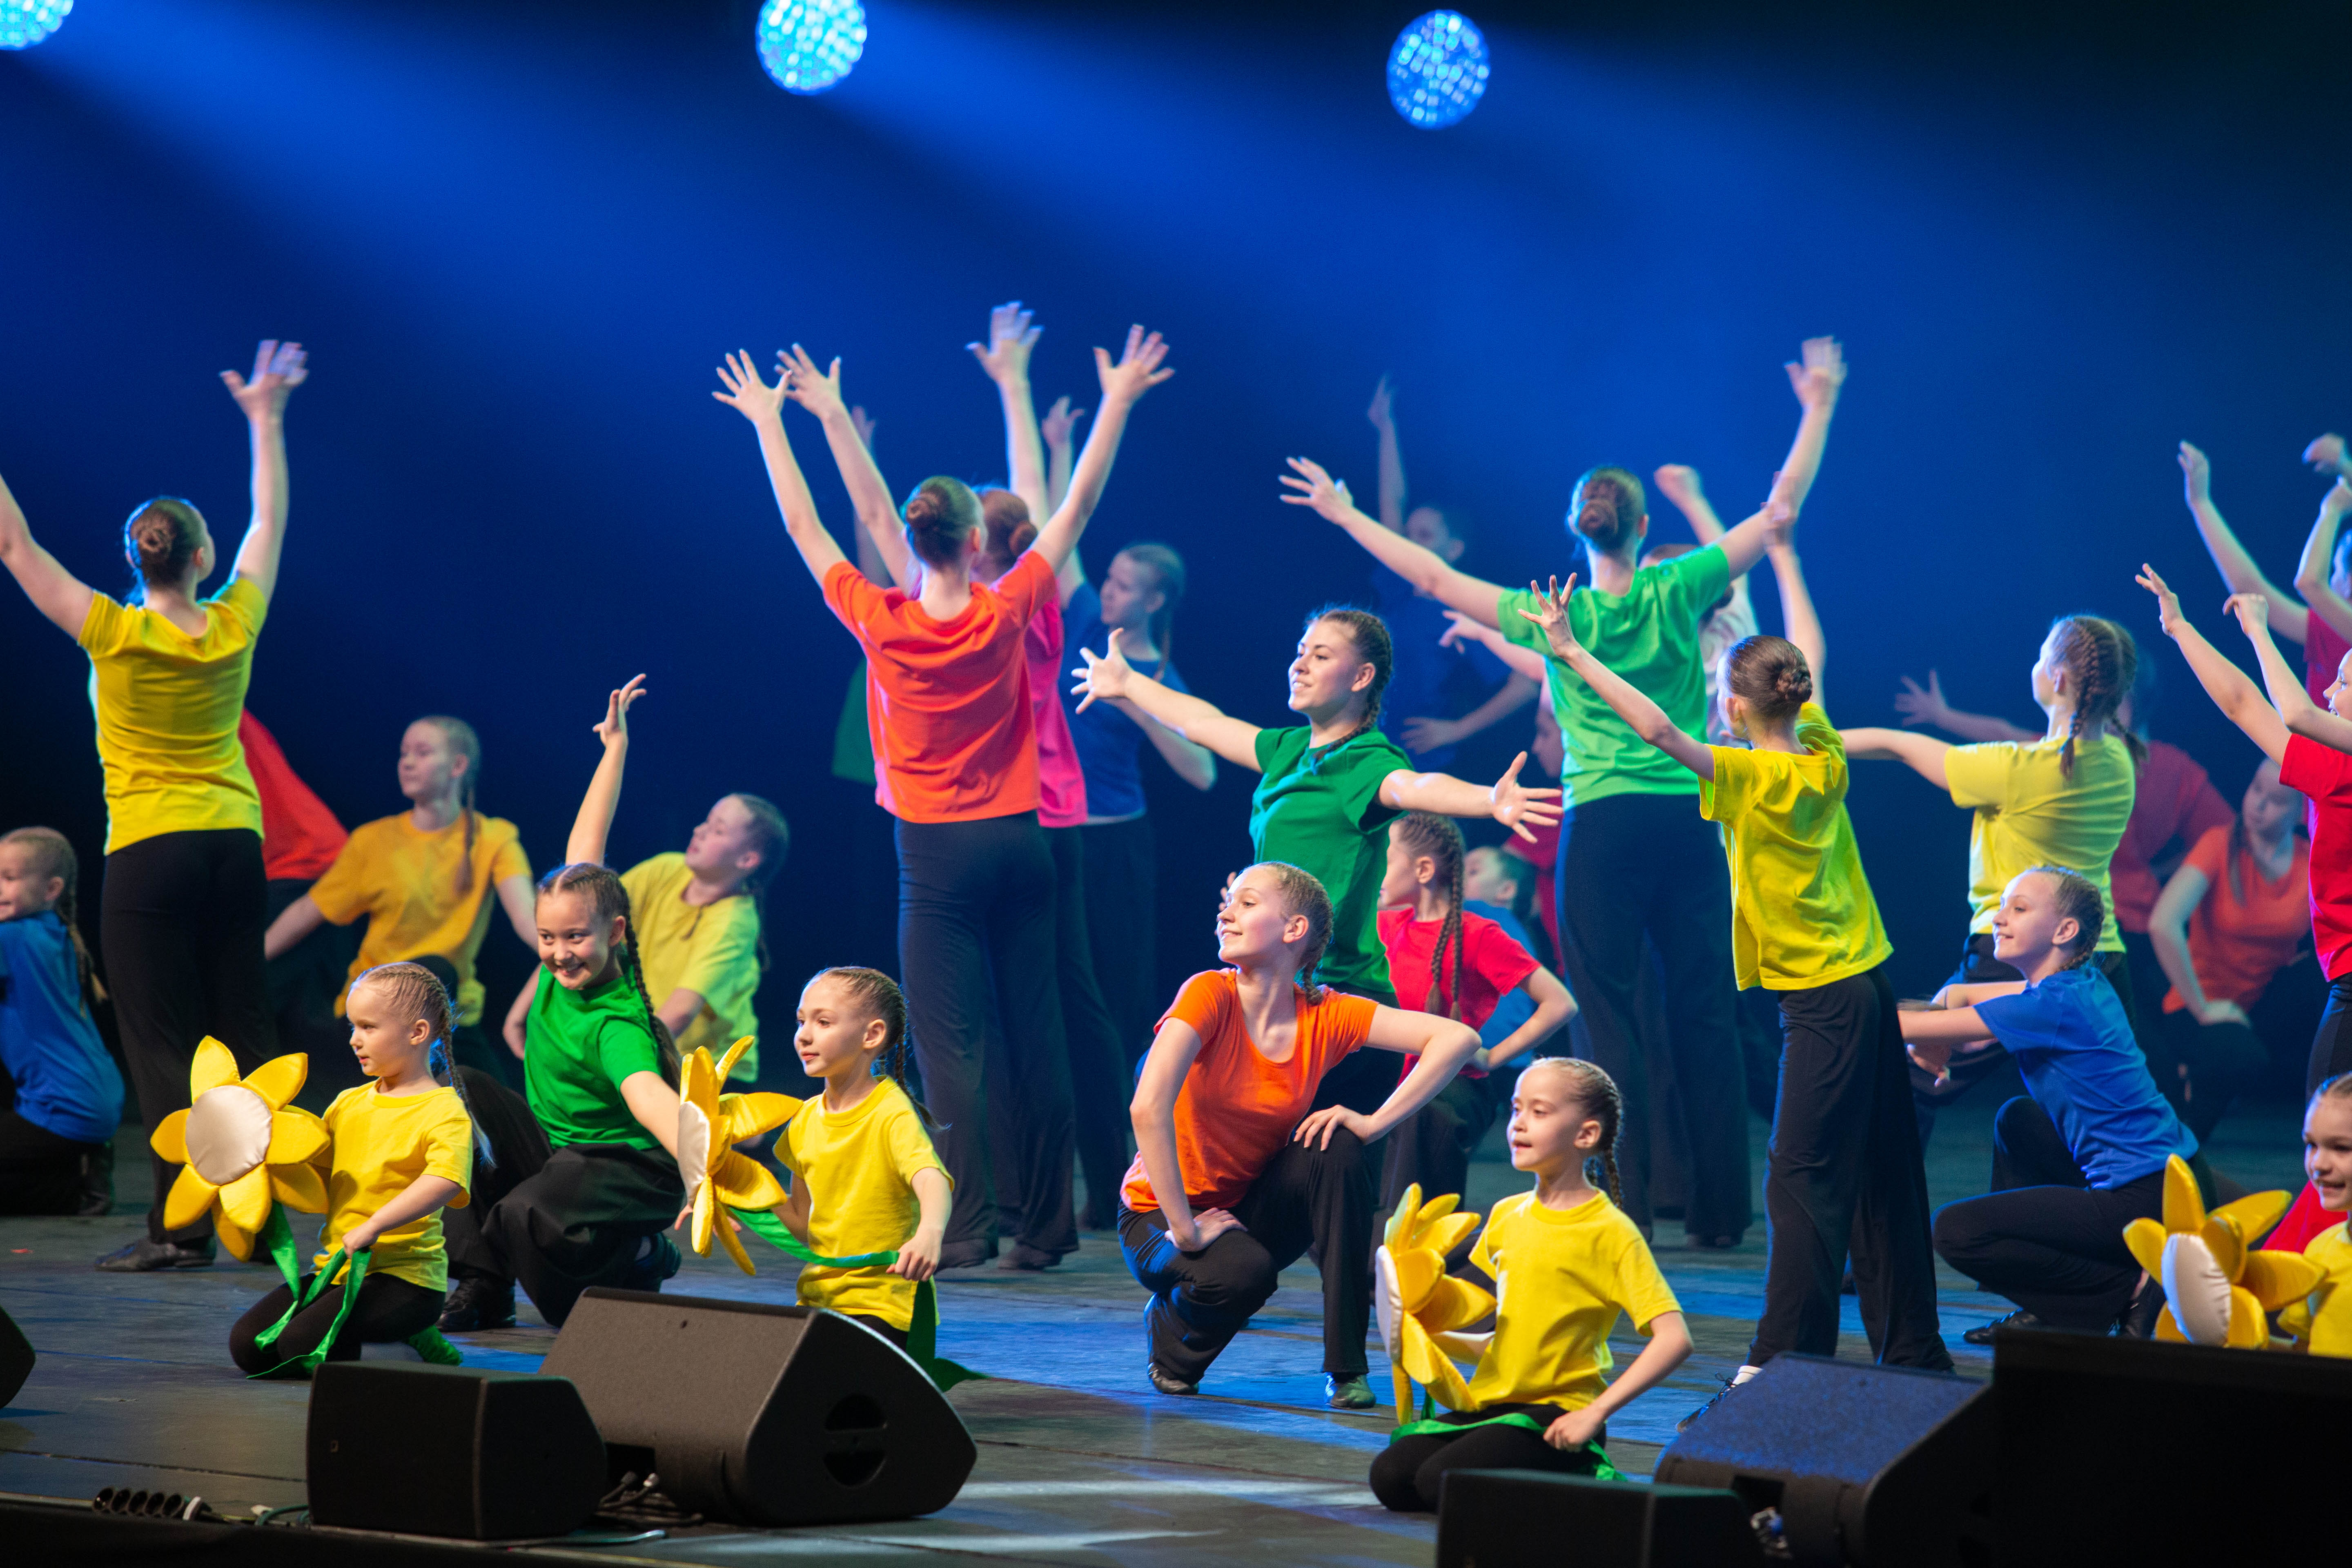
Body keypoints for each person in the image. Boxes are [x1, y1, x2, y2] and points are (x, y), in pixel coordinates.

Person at [1284, 338, 1850, 1243]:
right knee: (1704, 1011)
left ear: (1579, 528)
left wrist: (1347, 512)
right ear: (1638, 527)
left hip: (1605, 828)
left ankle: (1624, 1210)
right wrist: (1818, 403)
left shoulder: (1556, 614)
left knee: (1611, 1021)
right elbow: (1778, 513)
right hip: (1687, 818)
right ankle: (1720, 1213)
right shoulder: (1676, 587)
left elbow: (1429, 577)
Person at [714, 323, 1171, 1270]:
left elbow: (814, 525)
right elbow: (1077, 503)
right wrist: (1120, 400)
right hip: (1024, 841)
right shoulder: (1008, 609)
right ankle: (1045, 1228)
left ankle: (965, 1227)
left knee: (950, 1042)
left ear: (918, 544)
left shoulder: (882, 617)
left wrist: (780, 421)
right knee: (1038, 1032)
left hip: (936, 856)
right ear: (973, 540)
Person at [1518, 578, 1952, 1412]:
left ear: (1733, 704)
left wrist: (1569, 650)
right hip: (1866, 982)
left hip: (1823, 998)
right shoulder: (1821, 751)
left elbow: (1654, 728)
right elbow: (1810, 654)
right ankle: (1914, 1352)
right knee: (1883, 1174)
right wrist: (1782, 558)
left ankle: (1779, 1360)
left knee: (1796, 1178)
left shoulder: (1750, 775)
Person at [0, 340, 308, 1272]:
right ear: (202, 557)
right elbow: (269, 519)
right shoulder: (234, 621)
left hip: (149, 849)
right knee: (244, 1026)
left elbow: (13, 545)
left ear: (135, 558)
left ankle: (182, 1229)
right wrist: (266, 420)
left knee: (161, 1039)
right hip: (233, 846)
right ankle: (264, 1212)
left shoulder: (111, 629)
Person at [1070, 604, 1559, 1147]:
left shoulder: (1366, 761)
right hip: (1272, 983)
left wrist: (1488, 799)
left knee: (1266, 1134)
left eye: (1321, 655)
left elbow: (1414, 787)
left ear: (1362, 676)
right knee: (1166, 1077)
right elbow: (1204, 723)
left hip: (1334, 992)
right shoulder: (1287, 751)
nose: (1299, 665)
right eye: (1301, 652)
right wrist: (1128, 683)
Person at [1121, 861, 1480, 1409]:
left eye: (1247, 903)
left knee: (1338, 1145)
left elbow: (1457, 1039)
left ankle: (1347, 1367)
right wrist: (1185, 1230)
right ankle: (1169, 1330)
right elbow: (1148, 1107)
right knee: (1243, 1274)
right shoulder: (1209, 993)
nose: (1226, 914)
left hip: (1246, 1204)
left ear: (1294, 929)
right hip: (1159, 1215)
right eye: (1229, 903)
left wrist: (1374, 1123)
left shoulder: (1325, 1014)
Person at [960, 303, 1134, 1230]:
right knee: (1074, 998)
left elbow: (1037, 503)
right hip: (1056, 813)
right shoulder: (1035, 590)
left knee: (1019, 1010)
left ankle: (1030, 1192)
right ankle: (1101, 1180)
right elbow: (1040, 505)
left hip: (1017, 815)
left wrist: (1016, 386)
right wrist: (1015, 387)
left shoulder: (981, 604)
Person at [1843, 613, 2142, 1137]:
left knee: (1905, 1080)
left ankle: (1885, 1197)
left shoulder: (2020, 772)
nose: (2036, 665)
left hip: (2019, 955)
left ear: (2059, 678)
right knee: (2106, 1116)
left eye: (2042, 657)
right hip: (2102, 960)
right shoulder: (2119, 759)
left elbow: (1898, 745)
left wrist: (1793, 742)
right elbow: (2013, 740)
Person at [461, 677, 689, 1329]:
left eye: (575, 939)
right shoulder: (569, 935)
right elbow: (584, 850)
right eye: (548, 937)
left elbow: (649, 1098)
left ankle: (638, 1256)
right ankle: (483, 1285)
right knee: (453, 1095)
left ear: (614, 933)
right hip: (560, 1147)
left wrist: (703, 1169)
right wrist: (614, 749)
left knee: (522, 1216)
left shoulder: (617, 1022)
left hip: (626, 1166)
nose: (560, 954)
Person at [1369, 1057, 1692, 1512]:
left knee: (1440, 1483)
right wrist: (1426, 1334)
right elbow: (1509, 1331)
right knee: (1391, 1478)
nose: (1518, 1124)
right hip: (1495, 1404)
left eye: (1539, 1112)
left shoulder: (1610, 1232)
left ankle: (1572, 1469)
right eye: (1517, 1109)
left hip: (1559, 1412)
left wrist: (1594, 1413)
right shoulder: (1507, 1215)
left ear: (1586, 1135)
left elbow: (1675, 1339)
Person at [1904, 867, 2196, 1338]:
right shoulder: (2080, 983)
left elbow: (1907, 1025)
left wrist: (1832, 1000)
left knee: (1955, 1231)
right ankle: (2054, 1303)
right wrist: (1942, 1010)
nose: (1999, 919)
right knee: (2018, 1120)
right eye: (2002, 906)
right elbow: (1960, 995)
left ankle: (2133, 1288)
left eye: (2019, 909)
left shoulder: (2049, 1006)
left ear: (2065, 931)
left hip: (2142, 1196)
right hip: (2168, 1179)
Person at [1042, 389, 1218, 1071]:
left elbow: (1203, 773)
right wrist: (1060, 447)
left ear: (1154, 599)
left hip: (1114, 842)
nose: (1110, 589)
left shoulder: (1161, 675)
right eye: (1110, 579)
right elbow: (1063, 529)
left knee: (1112, 977)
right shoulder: (1086, 617)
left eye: (1124, 585)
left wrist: (1134, 699)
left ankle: (1122, 1098)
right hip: (1054, 825)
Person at [1893, 670, 2233, 1017]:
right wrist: (1942, 716)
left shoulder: (2159, 766)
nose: (2098, 705)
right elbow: (2006, 735)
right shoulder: (2070, 755)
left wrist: (2167, 873)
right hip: (2068, 930)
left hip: (2120, 931)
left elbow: (2224, 831)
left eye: (2111, 699)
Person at [2139, 564, 2352, 1097]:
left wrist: (2257, 628)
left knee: (2325, 1124)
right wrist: (2180, 627)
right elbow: (2246, 705)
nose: (2330, 689)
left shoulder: (2341, 772)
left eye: (2345, 682)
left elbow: (2284, 712)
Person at [230, 962, 477, 1374]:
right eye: (353, 1027)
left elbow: (445, 1179)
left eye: (368, 1027)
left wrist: (376, 1225)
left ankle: (413, 1342)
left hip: (406, 1282)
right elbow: (318, 1172)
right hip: (338, 1271)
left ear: (417, 1033)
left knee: (300, 1344)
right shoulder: (348, 1103)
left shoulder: (443, 1111)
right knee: (249, 1347)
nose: (354, 1040)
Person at [266, 716, 537, 1084]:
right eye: (404, 753)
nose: (407, 762)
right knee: (428, 974)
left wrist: (567, 946)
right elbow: (305, 913)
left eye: (422, 753)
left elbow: (527, 918)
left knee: (498, 1107)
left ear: (458, 765)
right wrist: (248, 960)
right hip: (376, 1018)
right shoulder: (373, 841)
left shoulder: (495, 838)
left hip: (450, 1017)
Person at [1374, 812, 1575, 1209]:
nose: (1377, 870)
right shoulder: (1384, 925)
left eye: (1387, 859)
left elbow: (1559, 1003)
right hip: (1391, 1078)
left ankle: (1422, 1236)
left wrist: (1492, 1057)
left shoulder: (1478, 932)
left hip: (1450, 1084)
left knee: (1426, 1118)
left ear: (1424, 870)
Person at [1362, 375, 1539, 771]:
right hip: (1370, 749)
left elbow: (1527, 682)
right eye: (1409, 535)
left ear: (1454, 549)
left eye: (1424, 536)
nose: (1410, 542)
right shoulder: (1399, 590)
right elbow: (1392, 502)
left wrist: (1457, 729)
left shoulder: (1458, 613)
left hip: (1418, 762)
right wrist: (1386, 427)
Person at [771, 966, 952, 1348]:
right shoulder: (805, 1120)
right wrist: (737, 1189)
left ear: (872, 1035)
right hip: (821, 1299)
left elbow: (931, 1178)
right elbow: (804, 1222)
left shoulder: (891, 1113)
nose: (804, 1035)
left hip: (883, 1304)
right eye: (802, 1021)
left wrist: (930, 1234)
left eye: (823, 1022)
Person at [2145, 760, 2317, 1139]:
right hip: (2199, 1005)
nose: (2258, 805)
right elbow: (2163, 923)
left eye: (2275, 800)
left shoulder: (2309, 861)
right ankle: (2181, 1138)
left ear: (2301, 812)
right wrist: (2204, 1010)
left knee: (2324, 982)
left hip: (2261, 1007)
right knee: (2242, 1057)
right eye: (2256, 789)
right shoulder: (2220, 844)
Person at [0, 828, 122, 1216]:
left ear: (51, 889)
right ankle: (78, 1168)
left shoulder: (12, 937)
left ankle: (76, 1189)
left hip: (66, 1106)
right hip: (93, 1098)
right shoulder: (56, 931)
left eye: (9, 878)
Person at [2177, 437, 2352, 708]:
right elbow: (2249, 586)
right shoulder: (2330, 633)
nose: (2332, 579)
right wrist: (2201, 503)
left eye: (2337, 572)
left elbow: (2309, 583)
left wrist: (2331, 511)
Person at [2279, 1073, 2352, 1356]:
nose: (2319, 1164)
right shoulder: (2318, 1252)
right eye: (2311, 1144)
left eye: (2342, 1148)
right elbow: (2304, 1355)